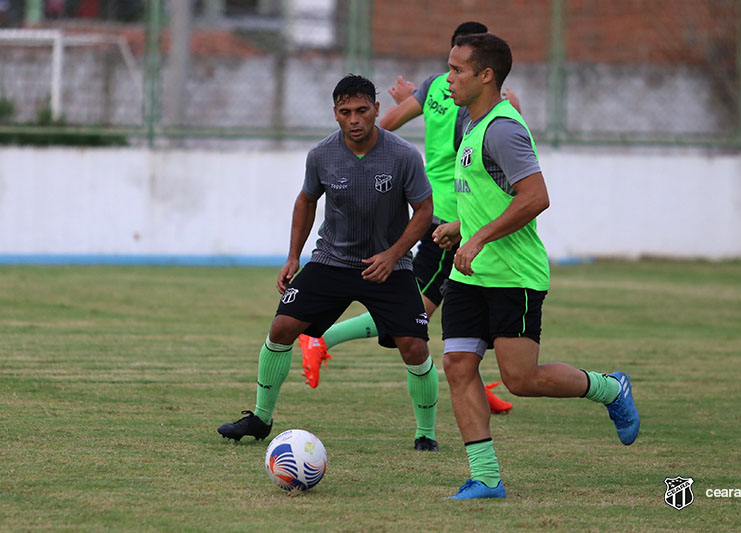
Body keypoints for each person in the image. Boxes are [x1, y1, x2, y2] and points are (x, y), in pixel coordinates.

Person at [432, 33, 641, 499]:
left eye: (457, 70)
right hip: (470, 274)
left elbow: (536, 198)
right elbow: (489, 196)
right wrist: (460, 228)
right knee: (458, 365)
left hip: (513, 276)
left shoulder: (504, 128)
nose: (448, 78)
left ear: (486, 75)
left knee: (520, 380)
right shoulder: (470, 122)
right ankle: (486, 479)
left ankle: (609, 388)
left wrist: (480, 237)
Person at [298, 21, 516, 415]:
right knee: (414, 317)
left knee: (464, 309)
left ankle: (481, 391)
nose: (452, 74)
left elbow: (389, 123)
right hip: (454, 217)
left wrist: (415, 104)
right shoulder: (490, 105)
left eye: (457, 67)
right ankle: (321, 339)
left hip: (450, 214)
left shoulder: (432, 88)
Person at [218, 74, 440, 452]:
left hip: (389, 266)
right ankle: (260, 418)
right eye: (345, 112)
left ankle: (426, 434)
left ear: (376, 110)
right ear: (335, 114)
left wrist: (393, 254)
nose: (355, 119)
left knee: (415, 348)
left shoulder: (403, 155)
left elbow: (424, 210)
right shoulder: (321, 155)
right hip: (331, 261)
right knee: (282, 327)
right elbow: (306, 200)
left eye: (362, 110)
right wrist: (293, 256)